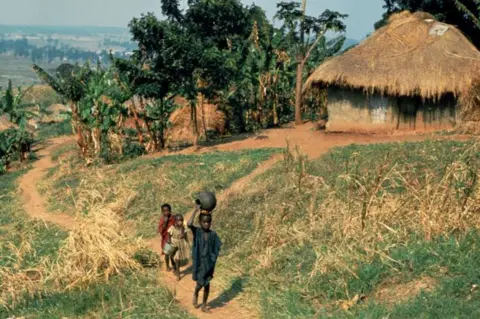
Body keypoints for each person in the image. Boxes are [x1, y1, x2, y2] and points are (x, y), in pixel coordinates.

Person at [188, 205, 222, 313]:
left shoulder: (213, 234)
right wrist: (195, 210)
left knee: (207, 284)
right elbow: (189, 224)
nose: (206, 224)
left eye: (208, 222)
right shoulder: (197, 232)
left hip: (209, 264)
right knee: (200, 284)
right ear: (200, 222)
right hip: (200, 263)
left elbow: (218, 246)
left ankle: (203, 305)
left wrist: (213, 257)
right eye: (204, 222)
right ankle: (196, 292)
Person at [167, 214, 191, 281]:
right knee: (171, 256)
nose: (180, 222)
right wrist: (169, 240)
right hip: (173, 243)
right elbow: (169, 234)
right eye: (178, 220)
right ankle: (173, 265)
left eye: (181, 220)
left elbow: (183, 236)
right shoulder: (172, 228)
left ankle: (178, 274)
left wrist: (183, 229)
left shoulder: (183, 228)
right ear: (175, 221)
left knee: (178, 259)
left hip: (180, 245)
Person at [158, 203, 176, 271]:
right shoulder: (162, 220)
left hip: (173, 238)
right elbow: (161, 230)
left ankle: (173, 263)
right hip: (165, 239)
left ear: (170, 211)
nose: (166, 212)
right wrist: (165, 222)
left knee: (173, 253)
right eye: (164, 211)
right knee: (166, 253)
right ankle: (167, 266)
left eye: (167, 210)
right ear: (162, 212)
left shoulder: (173, 218)